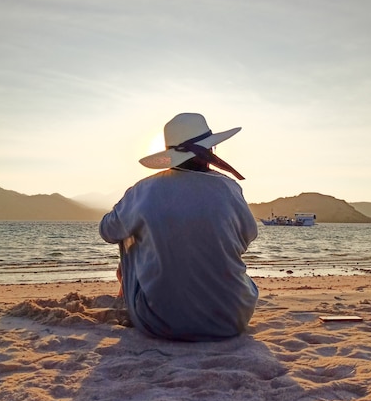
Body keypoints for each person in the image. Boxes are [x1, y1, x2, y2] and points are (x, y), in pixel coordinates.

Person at [99, 112, 258, 341]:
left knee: (126, 235)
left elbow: (108, 231)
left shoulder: (143, 190)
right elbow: (248, 235)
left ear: (170, 155)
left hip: (160, 322)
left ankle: (134, 298)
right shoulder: (228, 188)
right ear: (210, 151)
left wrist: (127, 207)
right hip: (231, 319)